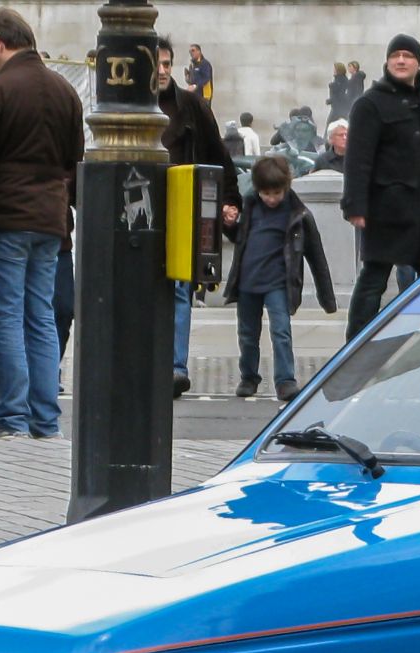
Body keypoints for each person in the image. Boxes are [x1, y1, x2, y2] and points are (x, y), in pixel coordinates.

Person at [0, 7, 84, 441]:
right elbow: (75, 158)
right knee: (41, 318)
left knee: (6, 320)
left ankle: (11, 417)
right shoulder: (65, 90)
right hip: (51, 221)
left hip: (6, 219)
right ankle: (46, 420)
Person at [342, 34, 420, 337]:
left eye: (408, 55)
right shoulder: (370, 103)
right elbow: (357, 159)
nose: (401, 60)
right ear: (386, 61)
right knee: (374, 278)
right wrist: (355, 205)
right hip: (388, 209)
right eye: (395, 55)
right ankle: (354, 345)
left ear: (418, 62)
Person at [157, 36, 240, 397]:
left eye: (166, 64)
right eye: (156, 64)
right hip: (141, 214)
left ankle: (176, 367)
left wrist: (230, 201)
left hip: (182, 212)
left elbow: (219, 156)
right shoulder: (129, 108)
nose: (162, 71)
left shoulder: (189, 105)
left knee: (179, 290)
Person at [222, 155, 335, 401]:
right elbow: (238, 240)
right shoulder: (250, 206)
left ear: (287, 187)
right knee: (247, 334)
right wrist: (229, 224)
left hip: (279, 283)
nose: (271, 198)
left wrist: (327, 299)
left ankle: (285, 380)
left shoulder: (299, 214)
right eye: (266, 193)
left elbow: (317, 258)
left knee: (281, 331)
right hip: (248, 281)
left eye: (276, 192)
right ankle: (248, 376)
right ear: (257, 189)